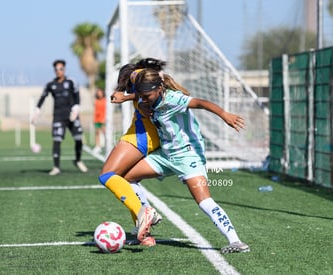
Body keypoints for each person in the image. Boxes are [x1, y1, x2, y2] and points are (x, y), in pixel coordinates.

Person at [116, 67, 250, 253]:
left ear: (159, 89)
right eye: (141, 96)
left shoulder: (174, 99)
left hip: (188, 156)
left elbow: (202, 103)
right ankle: (148, 215)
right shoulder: (147, 94)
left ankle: (236, 241)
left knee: (204, 201)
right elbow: (136, 89)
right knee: (126, 177)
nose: (143, 100)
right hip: (165, 155)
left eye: (146, 96)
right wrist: (125, 96)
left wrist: (224, 115)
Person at [99, 59, 179, 246]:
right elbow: (146, 95)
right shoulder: (142, 79)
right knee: (126, 179)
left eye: (124, 84)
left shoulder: (137, 74)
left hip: (142, 134)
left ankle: (145, 212)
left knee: (107, 175)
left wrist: (125, 97)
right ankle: (145, 234)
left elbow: (145, 93)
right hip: (146, 133)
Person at [31, 59, 88, 175]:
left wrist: (76, 109)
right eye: (56, 69)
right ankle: (56, 167)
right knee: (57, 140)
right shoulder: (51, 84)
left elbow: (77, 96)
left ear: (64, 69)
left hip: (72, 115)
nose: (58, 71)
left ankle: (78, 160)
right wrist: (37, 111)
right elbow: (43, 97)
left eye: (60, 69)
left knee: (78, 138)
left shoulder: (71, 82)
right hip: (58, 116)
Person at [93, 88, 106, 154]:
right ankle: (97, 146)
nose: (99, 94)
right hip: (97, 119)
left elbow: (106, 111)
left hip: (103, 119)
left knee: (104, 132)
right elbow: (95, 110)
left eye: (100, 93)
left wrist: (104, 119)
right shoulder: (96, 101)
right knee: (97, 132)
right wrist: (94, 119)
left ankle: (107, 145)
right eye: (98, 93)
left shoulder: (105, 101)